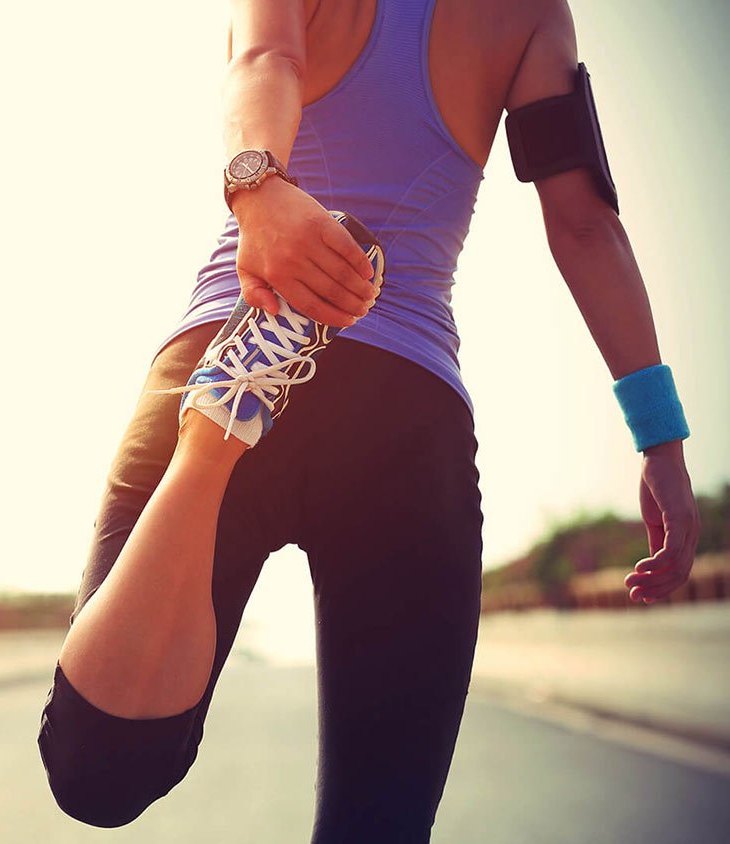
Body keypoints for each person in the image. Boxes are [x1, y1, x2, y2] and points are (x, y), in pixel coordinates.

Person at [35, 0, 701, 840]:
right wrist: (659, 440)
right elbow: (584, 223)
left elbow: (265, 59)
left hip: (248, 328)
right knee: (378, 826)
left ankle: (212, 438)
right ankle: (214, 434)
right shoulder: (532, 13)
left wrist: (260, 189)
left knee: (97, 772)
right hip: (405, 414)